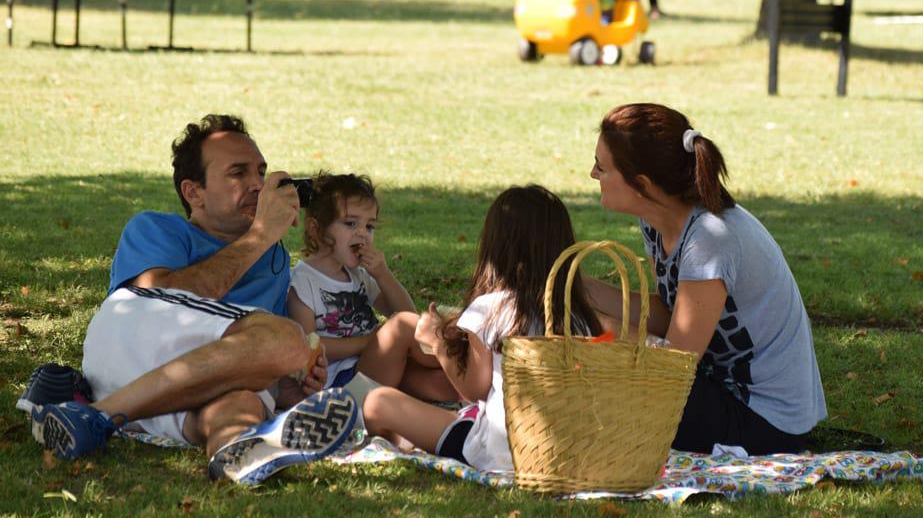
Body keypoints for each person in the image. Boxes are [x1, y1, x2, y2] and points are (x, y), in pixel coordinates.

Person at [28, 114, 359, 486]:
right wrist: (260, 235)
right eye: (238, 173)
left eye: (261, 172)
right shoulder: (156, 228)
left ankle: (236, 455)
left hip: (172, 397)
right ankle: (96, 415)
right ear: (193, 193)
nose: (257, 184)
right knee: (287, 338)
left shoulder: (274, 259)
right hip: (129, 354)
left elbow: (246, 354)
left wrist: (289, 383)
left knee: (244, 402)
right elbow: (162, 298)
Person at [586, 103, 827, 455]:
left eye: (602, 167)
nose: (593, 174)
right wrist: (578, 288)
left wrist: (594, 327)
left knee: (611, 387)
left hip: (764, 420)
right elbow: (674, 317)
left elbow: (673, 366)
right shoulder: (657, 219)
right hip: (715, 386)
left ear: (641, 185)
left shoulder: (710, 239)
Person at [362, 185, 602, 472]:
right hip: (568, 451)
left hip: (502, 452)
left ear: (496, 247)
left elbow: (473, 388)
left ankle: (399, 443)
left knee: (377, 402)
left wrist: (437, 342)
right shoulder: (577, 316)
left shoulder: (491, 308)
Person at [287, 172, 452, 401]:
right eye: (350, 223)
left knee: (439, 384)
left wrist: (383, 274)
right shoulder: (302, 280)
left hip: (377, 367)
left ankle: (474, 384)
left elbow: (406, 311)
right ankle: (458, 357)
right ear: (316, 229)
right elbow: (309, 346)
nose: (362, 233)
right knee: (404, 327)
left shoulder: (358, 275)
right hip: (340, 384)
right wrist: (368, 342)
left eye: (369, 226)